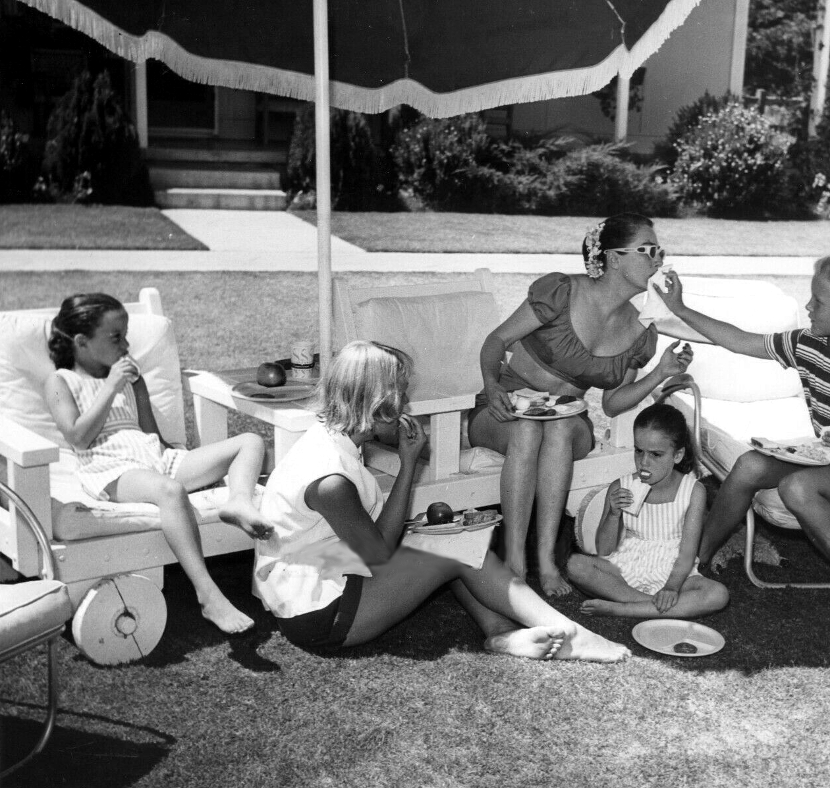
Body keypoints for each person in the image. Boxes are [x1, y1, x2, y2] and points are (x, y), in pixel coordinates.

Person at [254, 340, 631, 662]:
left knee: (448, 533)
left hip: (324, 573)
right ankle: (570, 633)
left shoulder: (332, 438)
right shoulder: (330, 479)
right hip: (322, 612)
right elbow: (378, 553)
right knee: (452, 546)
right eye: (399, 395)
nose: (405, 405)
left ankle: (500, 631)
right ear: (377, 403)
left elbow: (367, 540)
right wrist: (408, 466)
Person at [660, 255, 830, 632]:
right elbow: (739, 341)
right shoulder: (807, 344)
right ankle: (698, 560)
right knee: (749, 464)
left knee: (795, 486)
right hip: (824, 454)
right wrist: (680, 308)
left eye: (818, 301)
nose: (808, 307)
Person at [469, 213, 693, 597]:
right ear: (615, 258)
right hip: (504, 407)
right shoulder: (560, 291)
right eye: (649, 250)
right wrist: (492, 385)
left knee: (553, 428)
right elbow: (496, 340)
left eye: (661, 252)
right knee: (527, 428)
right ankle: (516, 561)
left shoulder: (642, 329)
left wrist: (660, 373)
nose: (658, 260)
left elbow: (612, 403)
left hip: (568, 418)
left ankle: (546, 561)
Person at [44, 293, 272, 634]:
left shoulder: (129, 379)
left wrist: (138, 389)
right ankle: (209, 595)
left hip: (156, 459)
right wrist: (111, 385)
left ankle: (238, 500)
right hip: (112, 468)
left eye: (126, 335)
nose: (126, 344)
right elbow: (79, 437)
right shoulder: (61, 381)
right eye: (115, 337)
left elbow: (151, 434)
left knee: (250, 442)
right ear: (81, 342)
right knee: (169, 490)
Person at [566, 404, 729, 618]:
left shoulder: (693, 491)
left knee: (718, 594)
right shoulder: (620, 486)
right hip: (626, 567)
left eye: (656, 454)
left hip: (675, 571)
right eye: (639, 451)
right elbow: (604, 550)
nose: (644, 462)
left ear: (677, 455)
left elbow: (688, 552)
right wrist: (613, 515)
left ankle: (623, 608)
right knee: (575, 565)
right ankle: (656, 607)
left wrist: (671, 587)